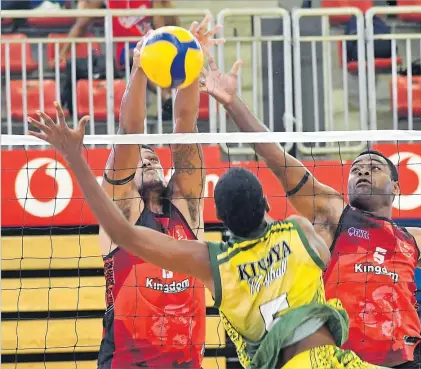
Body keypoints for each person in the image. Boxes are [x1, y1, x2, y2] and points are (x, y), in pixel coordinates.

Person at [197, 45, 421, 368]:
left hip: (402, 362)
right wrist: (232, 102)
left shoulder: (416, 240)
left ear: (397, 187)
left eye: (374, 167)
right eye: (356, 168)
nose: (362, 169)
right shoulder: (331, 213)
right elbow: (276, 157)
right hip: (337, 361)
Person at [27, 108, 385, 369]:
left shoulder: (217, 268)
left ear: (222, 222)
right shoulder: (299, 234)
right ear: (265, 205)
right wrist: (222, 97)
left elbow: (123, 232)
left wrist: (75, 158)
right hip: (334, 360)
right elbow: (310, 197)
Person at [54, 16, 218, 369]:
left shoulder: (187, 210)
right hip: (127, 362)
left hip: (185, 362)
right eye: (141, 160)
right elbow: (130, 131)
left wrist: (190, 61)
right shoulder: (122, 215)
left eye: (153, 158)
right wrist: (140, 68)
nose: (147, 161)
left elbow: (184, 128)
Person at [59, 0, 179, 118]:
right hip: (125, 50)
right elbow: (80, 25)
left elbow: (160, 29)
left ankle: (170, 100)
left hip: (148, 46)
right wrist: (63, 53)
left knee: (158, 59)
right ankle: (167, 98)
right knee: (139, 57)